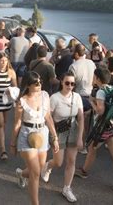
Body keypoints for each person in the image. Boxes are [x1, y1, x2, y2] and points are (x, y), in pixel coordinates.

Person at [75, 68, 113, 194]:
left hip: (103, 126)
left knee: (91, 148)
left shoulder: (101, 91)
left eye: (94, 77)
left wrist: (92, 102)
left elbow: (100, 111)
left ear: (98, 79)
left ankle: (84, 171)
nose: (93, 79)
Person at [10, 71, 59, 205]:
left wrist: (54, 137)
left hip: (42, 133)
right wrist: (12, 144)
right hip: (27, 134)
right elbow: (17, 123)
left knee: (38, 168)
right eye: (36, 83)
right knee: (36, 172)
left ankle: (21, 174)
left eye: (40, 82)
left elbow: (48, 117)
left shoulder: (45, 95)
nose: (39, 85)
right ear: (28, 85)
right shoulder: (22, 101)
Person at [41, 73, 84, 202]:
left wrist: (80, 136)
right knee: (58, 162)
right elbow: (48, 117)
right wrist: (53, 135)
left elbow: (81, 118)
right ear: (61, 82)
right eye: (67, 83)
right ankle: (48, 165)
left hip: (73, 130)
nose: (69, 86)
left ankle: (67, 188)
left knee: (71, 161)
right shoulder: (54, 98)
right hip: (58, 131)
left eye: (72, 84)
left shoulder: (77, 97)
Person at [68, 44, 96, 153]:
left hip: (79, 95)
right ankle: (86, 145)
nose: (71, 53)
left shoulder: (73, 66)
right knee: (88, 123)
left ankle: (80, 145)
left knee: (80, 123)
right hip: (91, 95)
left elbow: (71, 83)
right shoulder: (91, 63)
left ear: (76, 53)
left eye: (72, 51)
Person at [0, 52, 17, 160]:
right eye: (2, 60)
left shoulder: (11, 72)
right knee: (1, 124)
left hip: (7, 101)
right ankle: (3, 150)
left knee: (4, 123)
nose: (4, 63)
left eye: (6, 61)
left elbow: (15, 87)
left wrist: (11, 91)